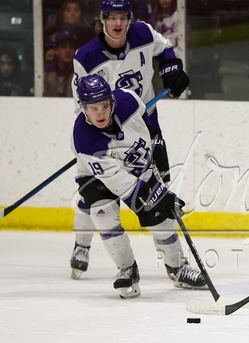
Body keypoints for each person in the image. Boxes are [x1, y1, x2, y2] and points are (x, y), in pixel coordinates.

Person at [69, 0, 189, 279]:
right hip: (104, 129)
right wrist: (98, 141)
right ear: (102, 20)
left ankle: (175, 263)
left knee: (156, 184)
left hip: (144, 122)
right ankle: (82, 245)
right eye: (112, 18)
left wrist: (171, 69)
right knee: (97, 190)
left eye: (123, 17)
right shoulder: (86, 57)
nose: (118, 24)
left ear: (130, 18)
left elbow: (165, 47)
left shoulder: (144, 34)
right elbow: (83, 106)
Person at [72, 74, 204, 298]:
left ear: (112, 101)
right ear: (83, 107)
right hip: (97, 177)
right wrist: (160, 197)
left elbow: (149, 121)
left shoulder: (128, 100)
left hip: (138, 165)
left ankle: (178, 268)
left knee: (162, 219)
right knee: (103, 215)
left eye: (104, 106)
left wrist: (157, 144)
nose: (101, 113)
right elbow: (125, 185)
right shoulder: (86, 140)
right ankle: (127, 269)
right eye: (93, 108)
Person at [44, 30, 77, 97]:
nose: (68, 51)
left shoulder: (79, 72)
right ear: (56, 51)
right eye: (63, 47)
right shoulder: (46, 71)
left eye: (71, 47)